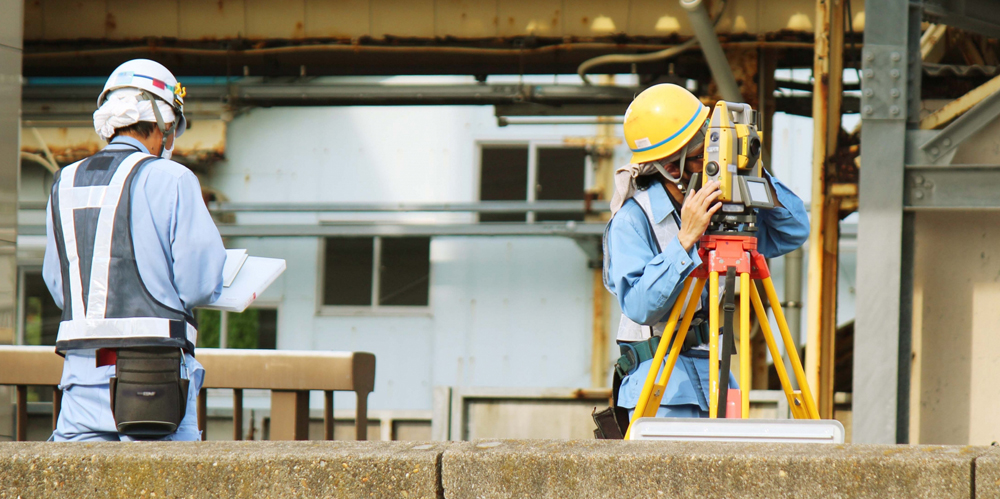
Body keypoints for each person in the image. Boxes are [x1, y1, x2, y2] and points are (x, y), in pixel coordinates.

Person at [42, 59, 226, 441]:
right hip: (153, 384)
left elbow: (59, 283)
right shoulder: (173, 179)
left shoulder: (65, 181)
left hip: (79, 380)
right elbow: (200, 283)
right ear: (163, 123)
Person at [604, 83, 809, 424]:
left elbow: (793, 230)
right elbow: (639, 306)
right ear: (672, 167)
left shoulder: (719, 207)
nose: (715, 160)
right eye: (706, 155)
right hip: (661, 389)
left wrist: (749, 170)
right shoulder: (632, 220)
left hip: (717, 377)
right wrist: (685, 240)